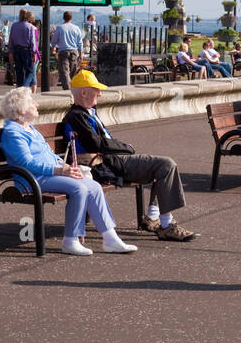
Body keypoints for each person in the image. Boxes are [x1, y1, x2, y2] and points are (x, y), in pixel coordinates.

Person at [0, 87, 137, 255]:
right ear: (20, 109)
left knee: (93, 186)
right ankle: (70, 240)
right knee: (79, 188)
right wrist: (59, 171)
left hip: (46, 175)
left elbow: (48, 154)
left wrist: (67, 167)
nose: (36, 104)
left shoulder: (29, 129)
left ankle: (110, 238)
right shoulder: (13, 132)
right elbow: (26, 163)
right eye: (31, 101)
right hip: (31, 180)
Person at [63, 70, 198, 241]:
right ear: (83, 92)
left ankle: (155, 217)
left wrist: (122, 147)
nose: (100, 93)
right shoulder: (76, 116)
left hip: (110, 161)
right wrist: (126, 147)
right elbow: (97, 144)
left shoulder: (86, 113)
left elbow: (101, 142)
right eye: (96, 89)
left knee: (162, 167)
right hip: (105, 165)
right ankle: (166, 225)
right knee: (165, 165)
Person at [50, 10, 85, 91]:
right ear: (71, 18)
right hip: (74, 51)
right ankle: (71, 88)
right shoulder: (76, 28)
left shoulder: (59, 28)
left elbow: (53, 41)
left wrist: (54, 47)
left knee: (64, 72)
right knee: (72, 71)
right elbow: (80, 42)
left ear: (63, 18)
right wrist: (81, 53)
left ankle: (68, 90)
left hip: (63, 51)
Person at [9, 9, 37, 89]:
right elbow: (32, 41)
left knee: (19, 72)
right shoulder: (30, 27)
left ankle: (19, 89)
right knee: (30, 72)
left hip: (16, 50)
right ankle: (24, 88)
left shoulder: (14, 25)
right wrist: (34, 53)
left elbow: (11, 39)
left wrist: (11, 52)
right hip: (26, 51)